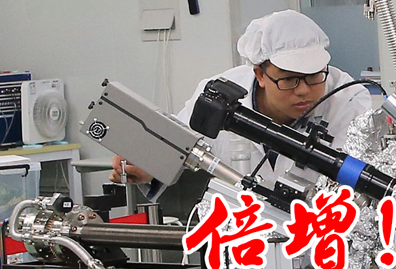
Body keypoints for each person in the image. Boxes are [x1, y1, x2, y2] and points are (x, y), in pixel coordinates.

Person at [114, 10, 379, 194]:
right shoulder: (218, 95)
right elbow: (177, 144)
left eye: (315, 77)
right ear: (260, 74)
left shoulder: (347, 99)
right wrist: (146, 166)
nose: (304, 91)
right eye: (290, 80)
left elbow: (360, 182)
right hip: (242, 234)